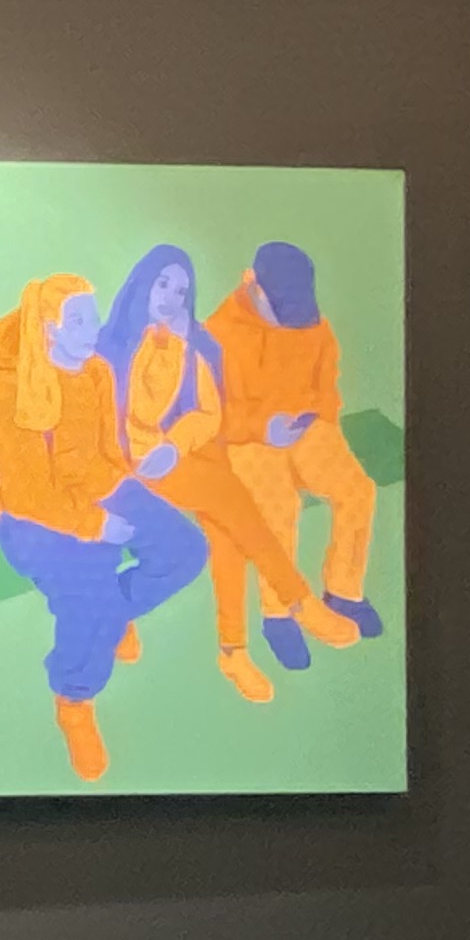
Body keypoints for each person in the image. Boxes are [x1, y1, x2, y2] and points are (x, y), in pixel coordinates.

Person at [0, 274, 207, 783]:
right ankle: (74, 698)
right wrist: (96, 525)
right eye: (80, 320)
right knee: (89, 600)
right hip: (25, 515)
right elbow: (28, 494)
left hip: (96, 488)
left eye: (94, 317)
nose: (94, 330)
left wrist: (131, 498)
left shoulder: (97, 372)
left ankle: (114, 613)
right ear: (48, 327)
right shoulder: (8, 389)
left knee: (186, 549)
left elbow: (107, 453)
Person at [97, 242, 355, 709]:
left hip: (182, 458)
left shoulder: (196, 343)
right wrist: (143, 452)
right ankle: (297, 602)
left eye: (181, 290)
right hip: (127, 466)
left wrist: (175, 440)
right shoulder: (110, 345)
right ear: (142, 283)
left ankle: (234, 650)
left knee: (228, 533)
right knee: (232, 506)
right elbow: (110, 421)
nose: (170, 297)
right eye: (162, 284)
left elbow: (209, 414)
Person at [210, 241, 384, 669]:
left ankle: (343, 591)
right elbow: (214, 414)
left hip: (305, 428)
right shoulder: (218, 334)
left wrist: (317, 418)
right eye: (282, 310)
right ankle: (278, 615)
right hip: (246, 438)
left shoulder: (313, 322)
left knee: (357, 490)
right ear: (254, 286)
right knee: (279, 507)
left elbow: (327, 385)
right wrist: (262, 429)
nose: (293, 320)